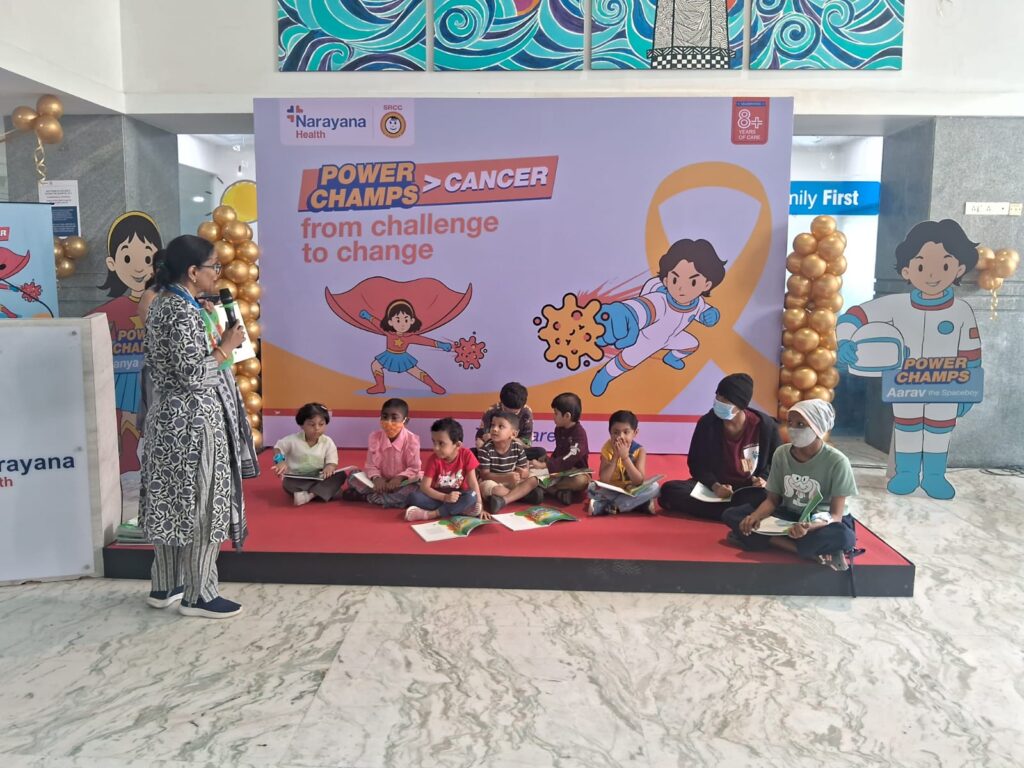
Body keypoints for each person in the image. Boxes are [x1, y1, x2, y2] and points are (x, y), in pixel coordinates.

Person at [140, 234, 258, 619]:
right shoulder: (183, 311)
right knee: (204, 506)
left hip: (167, 420)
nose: (217, 274)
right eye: (213, 267)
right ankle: (200, 594)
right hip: (194, 423)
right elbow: (194, 375)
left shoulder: (164, 304)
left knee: (174, 502)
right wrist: (226, 345)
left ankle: (166, 584)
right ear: (193, 272)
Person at [836, 219, 981, 499]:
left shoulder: (961, 311)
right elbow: (854, 315)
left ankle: (935, 476)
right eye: (922, 266)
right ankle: (907, 473)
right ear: (907, 270)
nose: (932, 275)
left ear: (959, 268)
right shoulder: (896, 305)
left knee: (940, 431)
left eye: (945, 266)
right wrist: (845, 340)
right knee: (907, 428)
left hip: (947, 383)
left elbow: (971, 353)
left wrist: (970, 391)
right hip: (906, 381)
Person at [721, 399, 858, 571]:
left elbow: (836, 515)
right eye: (790, 423)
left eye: (800, 424)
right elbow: (772, 500)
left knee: (844, 536)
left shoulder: (837, 462)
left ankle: (765, 540)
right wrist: (755, 516)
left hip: (821, 521)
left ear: (818, 427)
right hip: (789, 515)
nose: (792, 429)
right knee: (733, 514)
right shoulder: (781, 453)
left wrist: (809, 527)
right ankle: (802, 550)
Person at [590, 238, 727, 396]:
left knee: (692, 344)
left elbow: (702, 310)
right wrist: (626, 313)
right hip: (646, 340)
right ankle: (605, 375)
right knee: (626, 362)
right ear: (666, 279)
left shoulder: (697, 303)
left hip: (672, 337)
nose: (681, 288)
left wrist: (710, 315)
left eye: (693, 282)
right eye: (675, 279)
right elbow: (644, 308)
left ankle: (671, 358)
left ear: (706, 285)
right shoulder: (660, 300)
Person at [659, 373, 781, 519]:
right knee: (670, 490)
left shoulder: (766, 426)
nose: (718, 401)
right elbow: (697, 464)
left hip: (749, 489)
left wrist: (763, 479)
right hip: (716, 488)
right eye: (718, 396)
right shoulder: (707, 423)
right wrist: (715, 486)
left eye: (725, 400)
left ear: (740, 405)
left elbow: (776, 463)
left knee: (773, 497)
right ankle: (738, 512)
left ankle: (728, 511)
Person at [405, 418, 487, 522]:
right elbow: (424, 487)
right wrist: (445, 497)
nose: (435, 448)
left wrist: (481, 506)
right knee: (414, 497)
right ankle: (458, 509)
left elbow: (473, 483)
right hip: (438, 496)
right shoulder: (433, 459)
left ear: (457, 445)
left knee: (471, 496)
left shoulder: (467, 455)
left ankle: (432, 514)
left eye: (441, 443)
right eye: (434, 442)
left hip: (459, 496)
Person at [347, 398, 422, 507]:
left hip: (400, 484)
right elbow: (371, 465)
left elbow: (414, 468)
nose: (388, 422)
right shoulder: (375, 437)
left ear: (405, 421)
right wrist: (376, 478)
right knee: (353, 475)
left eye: (394, 418)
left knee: (419, 484)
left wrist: (399, 478)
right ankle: (389, 499)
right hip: (379, 484)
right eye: (385, 417)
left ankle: (368, 498)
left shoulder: (412, 440)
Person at [586, 410, 660, 516]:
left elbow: (638, 481)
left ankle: (609, 506)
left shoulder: (640, 451)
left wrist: (625, 458)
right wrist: (615, 456)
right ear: (610, 432)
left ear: (635, 433)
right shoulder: (607, 449)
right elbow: (604, 479)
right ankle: (638, 505)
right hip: (611, 489)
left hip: (631, 490)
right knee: (591, 488)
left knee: (655, 487)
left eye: (626, 432)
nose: (620, 436)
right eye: (616, 432)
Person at [271, 403, 346, 506]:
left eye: (321, 424)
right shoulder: (292, 440)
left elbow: (332, 462)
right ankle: (323, 492)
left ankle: (309, 495)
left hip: (319, 479)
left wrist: (329, 467)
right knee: (288, 483)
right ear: (302, 425)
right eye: (311, 424)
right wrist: (280, 461)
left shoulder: (328, 442)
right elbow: (277, 448)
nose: (317, 428)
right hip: (298, 480)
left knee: (341, 475)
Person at [478, 411, 544, 514]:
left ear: (513, 434)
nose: (494, 429)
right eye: (493, 425)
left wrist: (524, 473)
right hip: (495, 481)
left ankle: (503, 500)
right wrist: (506, 477)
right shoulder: (485, 449)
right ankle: (524, 496)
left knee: (534, 479)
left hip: (512, 481)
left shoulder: (517, 447)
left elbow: (524, 470)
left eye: (501, 426)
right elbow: (485, 475)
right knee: (489, 487)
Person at [474, 381, 546, 462]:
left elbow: (526, 444)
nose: (510, 416)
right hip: (493, 451)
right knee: (472, 452)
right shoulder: (491, 411)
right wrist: (482, 442)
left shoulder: (526, 413)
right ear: (502, 403)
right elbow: (480, 437)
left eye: (515, 413)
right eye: (506, 411)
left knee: (540, 452)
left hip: (514, 451)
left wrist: (508, 438)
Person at [542, 392, 591, 506]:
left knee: (581, 481)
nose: (553, 416)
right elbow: (558, 451)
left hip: (575, 471)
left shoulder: (579, 434)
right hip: (559, 469)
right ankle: (558, 492)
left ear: (567, 416)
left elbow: (569, 457)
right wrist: (548, 463)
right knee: (538, 456)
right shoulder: (558, 429)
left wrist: (547, 466)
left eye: (556, 413)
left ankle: (547, 488)